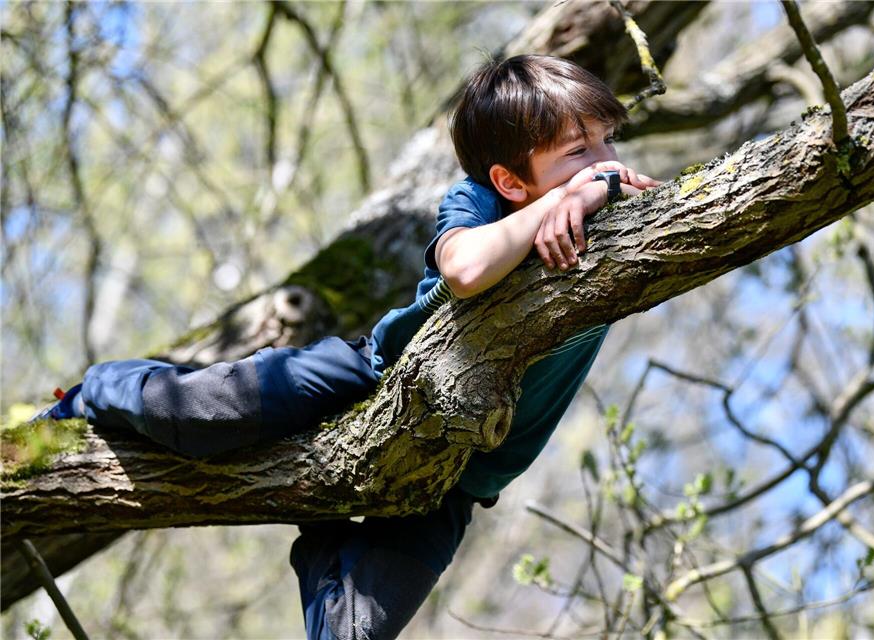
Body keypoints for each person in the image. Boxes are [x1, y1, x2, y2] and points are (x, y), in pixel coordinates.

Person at [37, 54, 660, 638]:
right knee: (196, 416)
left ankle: (323, 536)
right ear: (510, 180)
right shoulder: (480, 200)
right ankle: (99, 388)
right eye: (579, 151)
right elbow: (465, 270)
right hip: (371, 375)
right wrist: (559, 203)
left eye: (609, 141)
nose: (605, 163)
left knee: (355, 632)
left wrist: (590, 192)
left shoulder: (623, 228)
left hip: (461, 476)